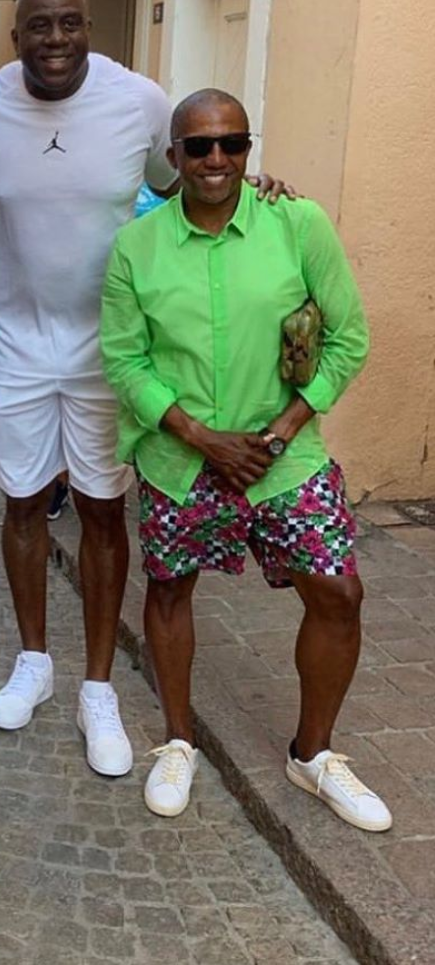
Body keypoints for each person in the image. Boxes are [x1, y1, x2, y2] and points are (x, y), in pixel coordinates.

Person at [0, 0, 292, 779]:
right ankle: (34, 659)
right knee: (23, 502)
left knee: (104, 510)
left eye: (69, 23)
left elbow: (190, 181)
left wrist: (259, 192)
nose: (55, 39)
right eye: (38, 26)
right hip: (10, 347)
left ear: (88, 28)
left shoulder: (140, 101)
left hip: (111, 350)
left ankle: (97, 686)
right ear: (15, 39)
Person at [100, 89, 391, 831]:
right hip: (181, 457)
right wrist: (202, 438)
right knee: (170, 589)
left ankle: (312, 754)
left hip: (283, 457)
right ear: (174, 156)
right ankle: (178, 741)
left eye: (232, 143)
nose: (217, 159)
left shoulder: (297, 223)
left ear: (248, 150)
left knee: (338, 593)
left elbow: (349, 337)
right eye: (199, 146)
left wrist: (284, 430)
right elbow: (125, 360)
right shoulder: (138, 246)